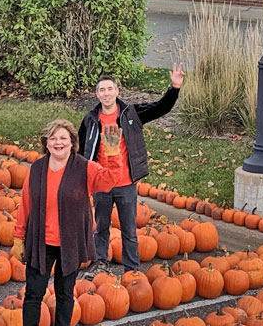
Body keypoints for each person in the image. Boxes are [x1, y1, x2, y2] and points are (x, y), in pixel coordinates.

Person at [14, 119, 127, 326]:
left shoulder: (85, 168)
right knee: (33, 294)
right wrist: (18, 237)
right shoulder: (37, 169)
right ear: (45, 143)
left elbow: (110, 179)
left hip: (70, 242)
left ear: (72, 142)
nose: (58, 143)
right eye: (53, 138)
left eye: (63, 138)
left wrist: (112, 153)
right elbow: (26, 204)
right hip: (40, 242)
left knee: (64, 293)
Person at [76, 64, 184, 274]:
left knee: (128, 230)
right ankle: (101, 263)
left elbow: (160, 108)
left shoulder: (130, 113)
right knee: (101, 227)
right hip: (102, 183)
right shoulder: (90, 119)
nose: (106, 93)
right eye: (102, 90)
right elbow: (80, 147)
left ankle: (131, 268)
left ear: (117, 91)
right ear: (97, 94)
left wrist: (175, 87)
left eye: (110, 89)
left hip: (126, 183)